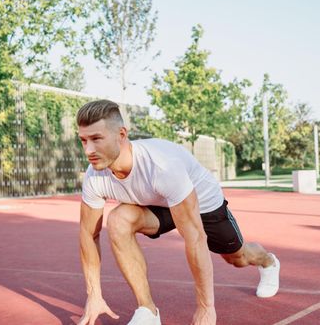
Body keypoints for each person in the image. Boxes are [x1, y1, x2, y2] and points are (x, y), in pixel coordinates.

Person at [76, 100, 280, 325]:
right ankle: (148, 311)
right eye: (83, 140)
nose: (88, 150)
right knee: (118, 220)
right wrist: (93, 295)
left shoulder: (161, 166)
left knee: (237, 258)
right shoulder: (95, 177)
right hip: (157, 203)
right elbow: (88, 234)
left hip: (202, 203)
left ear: (121, 134)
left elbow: (195, 238)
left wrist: (206, 308)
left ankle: (268, 261)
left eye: (96, 139)